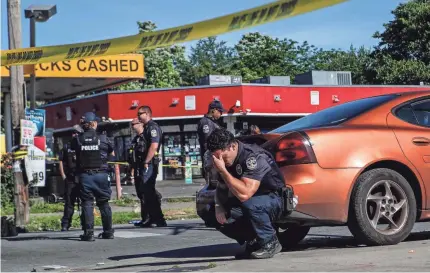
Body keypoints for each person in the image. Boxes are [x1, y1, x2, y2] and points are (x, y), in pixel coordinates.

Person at [206, 128, 285, 259]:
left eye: (223, 157)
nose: (221, 161)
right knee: (209, 210)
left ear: (232, 146)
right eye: (217, 158)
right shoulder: (225, 160)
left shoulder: (253, 156)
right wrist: (218, 206)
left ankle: (270, 242)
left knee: (250, 203)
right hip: (251, 200)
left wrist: (223, 171)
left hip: (274, 198)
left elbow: (245, 194)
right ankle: (254, 240)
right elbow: (221, 186)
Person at [73, 112, 115, 241]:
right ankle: (108, 231)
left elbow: (75, 154)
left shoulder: (78, 139)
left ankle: (89, 233)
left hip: (86, 175)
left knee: (87, 203)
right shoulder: (103, 138)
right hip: (102, 174)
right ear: (94, 124)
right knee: (104, 203)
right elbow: (112, 154)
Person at [136, 106, 166, 227]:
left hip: (150, 163)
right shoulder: (147, 127)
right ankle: (153, 218)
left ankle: (158, 219)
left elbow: (154, 146)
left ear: (147, 113)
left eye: (140, 114)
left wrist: (146, 161)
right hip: (147, 163)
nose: (138, 116)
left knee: (149, 191)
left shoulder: (153, 127)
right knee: (147, 192)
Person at [59, 125, 83, 231]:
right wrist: (63, 175)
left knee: (84, 202)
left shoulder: (83, 145)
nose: (75, 134)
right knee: (69, 203)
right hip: (70, 178)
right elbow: (61, 160)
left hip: (82, 177)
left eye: (77, 132)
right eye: (73, 133)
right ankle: (65, 224)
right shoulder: (66, 146)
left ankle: (86, 223)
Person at [197, 100, 226, 177]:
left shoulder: (213, 122)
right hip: (211, 160)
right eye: (220, 111)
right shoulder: (206, 123)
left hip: (215, 159)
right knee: (213, 183)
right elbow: (207, 143)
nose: (221, 114)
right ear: (214, 110)